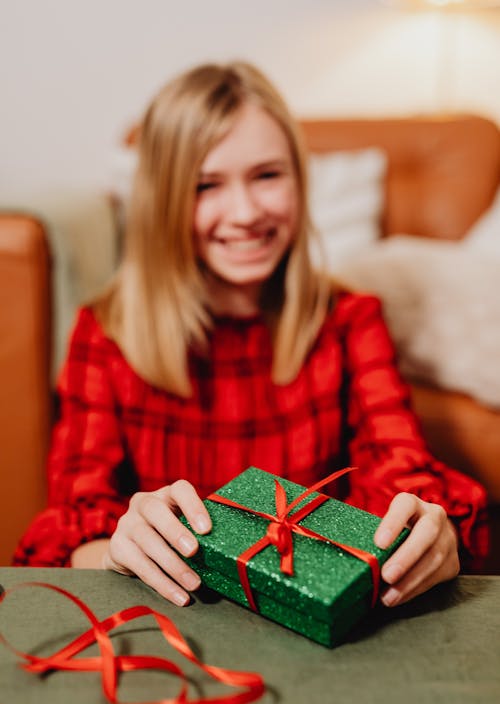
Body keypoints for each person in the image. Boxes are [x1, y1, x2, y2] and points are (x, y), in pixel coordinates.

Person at [14, 61, 488, 610]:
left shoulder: (348, 319)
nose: (244, 212)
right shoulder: (106, 333)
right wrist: (115, 550)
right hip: (170, 624)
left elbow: (397, 458)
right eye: (206, 185)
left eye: (267, 175)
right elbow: (70, 522)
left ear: (300, 180)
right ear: (163, 201)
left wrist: (434, 532)